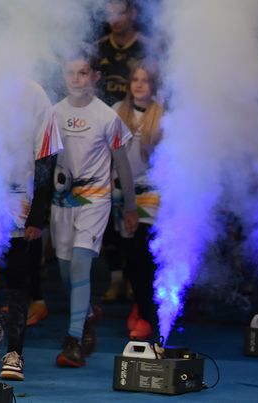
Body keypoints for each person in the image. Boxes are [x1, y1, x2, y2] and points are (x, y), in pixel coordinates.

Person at [0, 80, 63, 381]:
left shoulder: (35, 94)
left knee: (18, 278)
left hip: (21, 202)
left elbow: (47, 156)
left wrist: (37, 214)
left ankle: (15, 351)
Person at [51, 55, 135, 368]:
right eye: (70, 73)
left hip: (95, 199)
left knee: (79, 266)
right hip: (61, 202)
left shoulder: (107, 117)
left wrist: (130, 206)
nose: (76, 79)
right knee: (64, 271)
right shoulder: (54, 113)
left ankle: (74, 339)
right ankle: (85, 313)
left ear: (95, 77)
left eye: (83, 73)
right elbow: (44, 163)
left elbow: (122, 165)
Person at [113, 63, 164, 340]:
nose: (140, 84)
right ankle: (140, 305)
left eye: (145, 80)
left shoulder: (164, 116)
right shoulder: (116, 112)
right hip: (122, 192)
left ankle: (146, 314)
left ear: (154, 85)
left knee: (143, 251)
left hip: (153, 192)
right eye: (135, 79)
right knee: (131, 255)